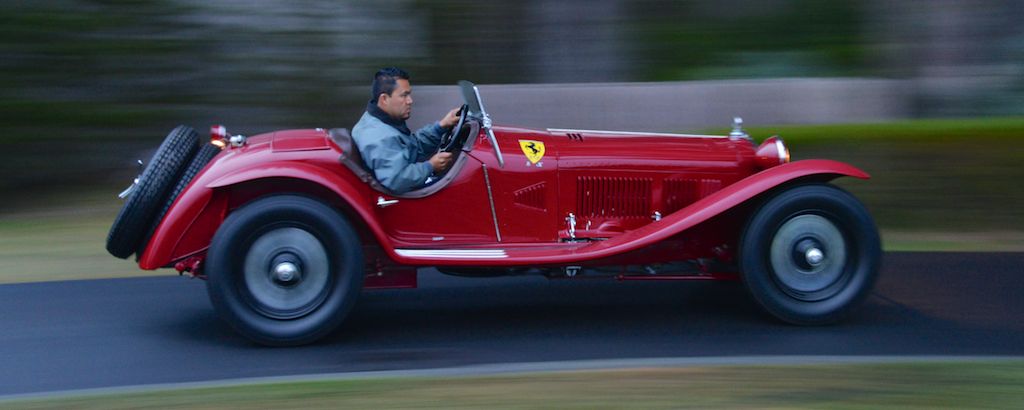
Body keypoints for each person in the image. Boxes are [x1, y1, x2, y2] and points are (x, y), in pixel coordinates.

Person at [352, 67, 461, 194]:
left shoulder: (382, 121)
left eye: (409, 94)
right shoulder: (379, 136)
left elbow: (412, 148)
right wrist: (430, 166)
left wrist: (441, 126)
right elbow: (397, 180)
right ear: (384, 99)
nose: (410, 101)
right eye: (404, 95)